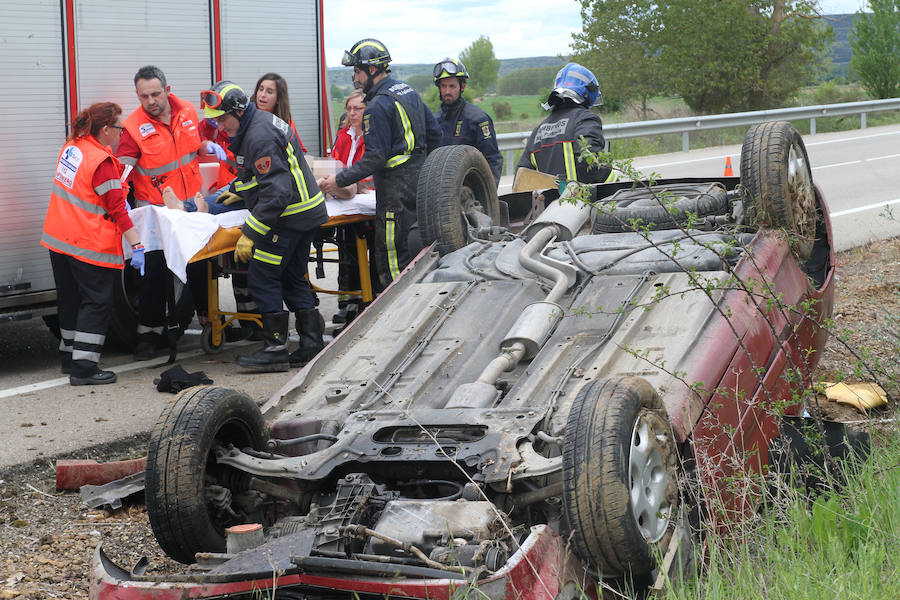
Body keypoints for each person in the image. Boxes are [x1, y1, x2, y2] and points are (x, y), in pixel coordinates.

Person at [202, 80, 329, 372]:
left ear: (237, 110)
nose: (220, 126)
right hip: (305, 214)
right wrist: (241, 188)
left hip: (287, 217)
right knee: (292, 277)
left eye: (222, 119)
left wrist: (249, 234)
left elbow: (277, 193)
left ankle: (274, 349)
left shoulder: (258, 134)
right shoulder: (254, 125)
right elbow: (259, 172)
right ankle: (311, 344)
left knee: (263, 276)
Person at [118, 65, 227, 360]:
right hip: (155, 214)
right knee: (154, 274)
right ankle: (149, 336)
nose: (150, 101)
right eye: (143, 96)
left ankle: (201, 320)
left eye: (155, 94)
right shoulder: (132, 128)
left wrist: (206, 144)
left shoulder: (188, 111)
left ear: (167, 90)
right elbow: (122, 170)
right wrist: (119, 199)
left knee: (196, 266)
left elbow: (196, 143)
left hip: (190, 207)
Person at [319, 38, 441, 290]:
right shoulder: (407, 92)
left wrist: (337, 180)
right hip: (420, 185)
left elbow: (375, 158)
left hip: (393, 194)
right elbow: (436, 134)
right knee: (417, 249)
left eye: (357, 71)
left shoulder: (376, 106)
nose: (355, 78)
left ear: (372, 70)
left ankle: (398, 309)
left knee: (392, 255)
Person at [41, 102, 145, 385]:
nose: (121, 134)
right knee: (97, 302)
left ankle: (70, 356)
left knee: (70, 299)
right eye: (120, 129)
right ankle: (85, 368)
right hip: (87, 243)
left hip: (59, 239)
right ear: (106, 129)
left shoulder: (74, 146)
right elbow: (118, 211)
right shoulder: (102, 163)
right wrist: (136, 246)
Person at [516, 62, 617, 185]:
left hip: (545, 203)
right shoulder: (585, 119)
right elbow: (589, 163)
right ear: (588, 92)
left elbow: (521, 178)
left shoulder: (539, 130)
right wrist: (614, 183)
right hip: (578, 201)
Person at [325, 90, 371, 325]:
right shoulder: (343, 136)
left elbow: (370, 168)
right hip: (344, 200)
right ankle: (347, 300)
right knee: (346, 249)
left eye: (358, 109)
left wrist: (357, 185)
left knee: (367, 250)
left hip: (366, 201)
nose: (352, 113)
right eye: (349, 109)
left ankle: (367, 298)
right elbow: (335, 163)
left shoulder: (373, 136)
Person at [433, 57, 503, 186]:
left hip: (471, 193)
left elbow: (493, 159)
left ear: (462, 86)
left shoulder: (478, 119)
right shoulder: (433, 121)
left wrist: (488, 196)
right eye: (443, 86)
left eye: (452, 86)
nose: (447, 91)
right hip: (441, 193)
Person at [252, 73, 308, 153]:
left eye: (269, 92)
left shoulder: (287, 123)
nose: (262, 95)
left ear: (279, 99)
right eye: (261, 89)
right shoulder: (246, 119)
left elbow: (299, 152)